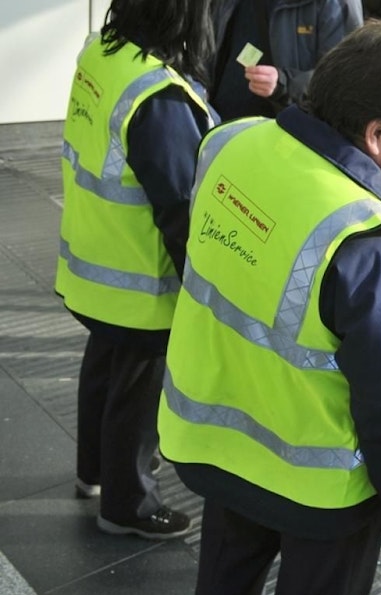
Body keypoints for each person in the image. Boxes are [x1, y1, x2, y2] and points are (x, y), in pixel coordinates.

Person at [157, 20, 381, 595]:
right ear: (378, 132)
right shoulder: (372, 248)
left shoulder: (232, 142)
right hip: (318, 493)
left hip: (215, 442)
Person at [55, 0, 216, 539]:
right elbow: (180, 209)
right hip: (142, 284)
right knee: (138, 393)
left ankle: (94, 472)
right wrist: (202, 291)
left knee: (104, 364)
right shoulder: (159, 99)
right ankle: (130, 506)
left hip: (95, 262)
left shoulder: (103, 55)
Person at [210, 0, 362, 121]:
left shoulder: (336, 5)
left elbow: (341, 80)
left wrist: (284, 83)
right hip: (220, 124)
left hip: (286, 133)